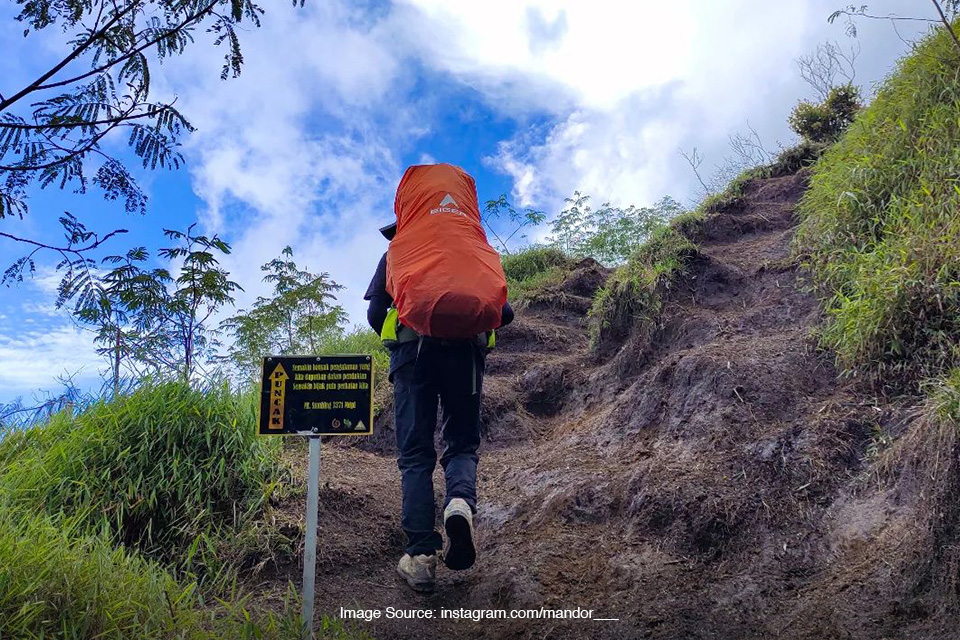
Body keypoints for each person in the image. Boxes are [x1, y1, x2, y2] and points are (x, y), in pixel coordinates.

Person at [365, 218, 514, 593]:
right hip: (466, 354)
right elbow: (505, 313)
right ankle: (459, 504)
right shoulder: (474, 252)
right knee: (461, 443)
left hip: (412, 356)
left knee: (415, 455)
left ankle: (420, 558)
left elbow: (373, 315)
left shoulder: (395, 254)